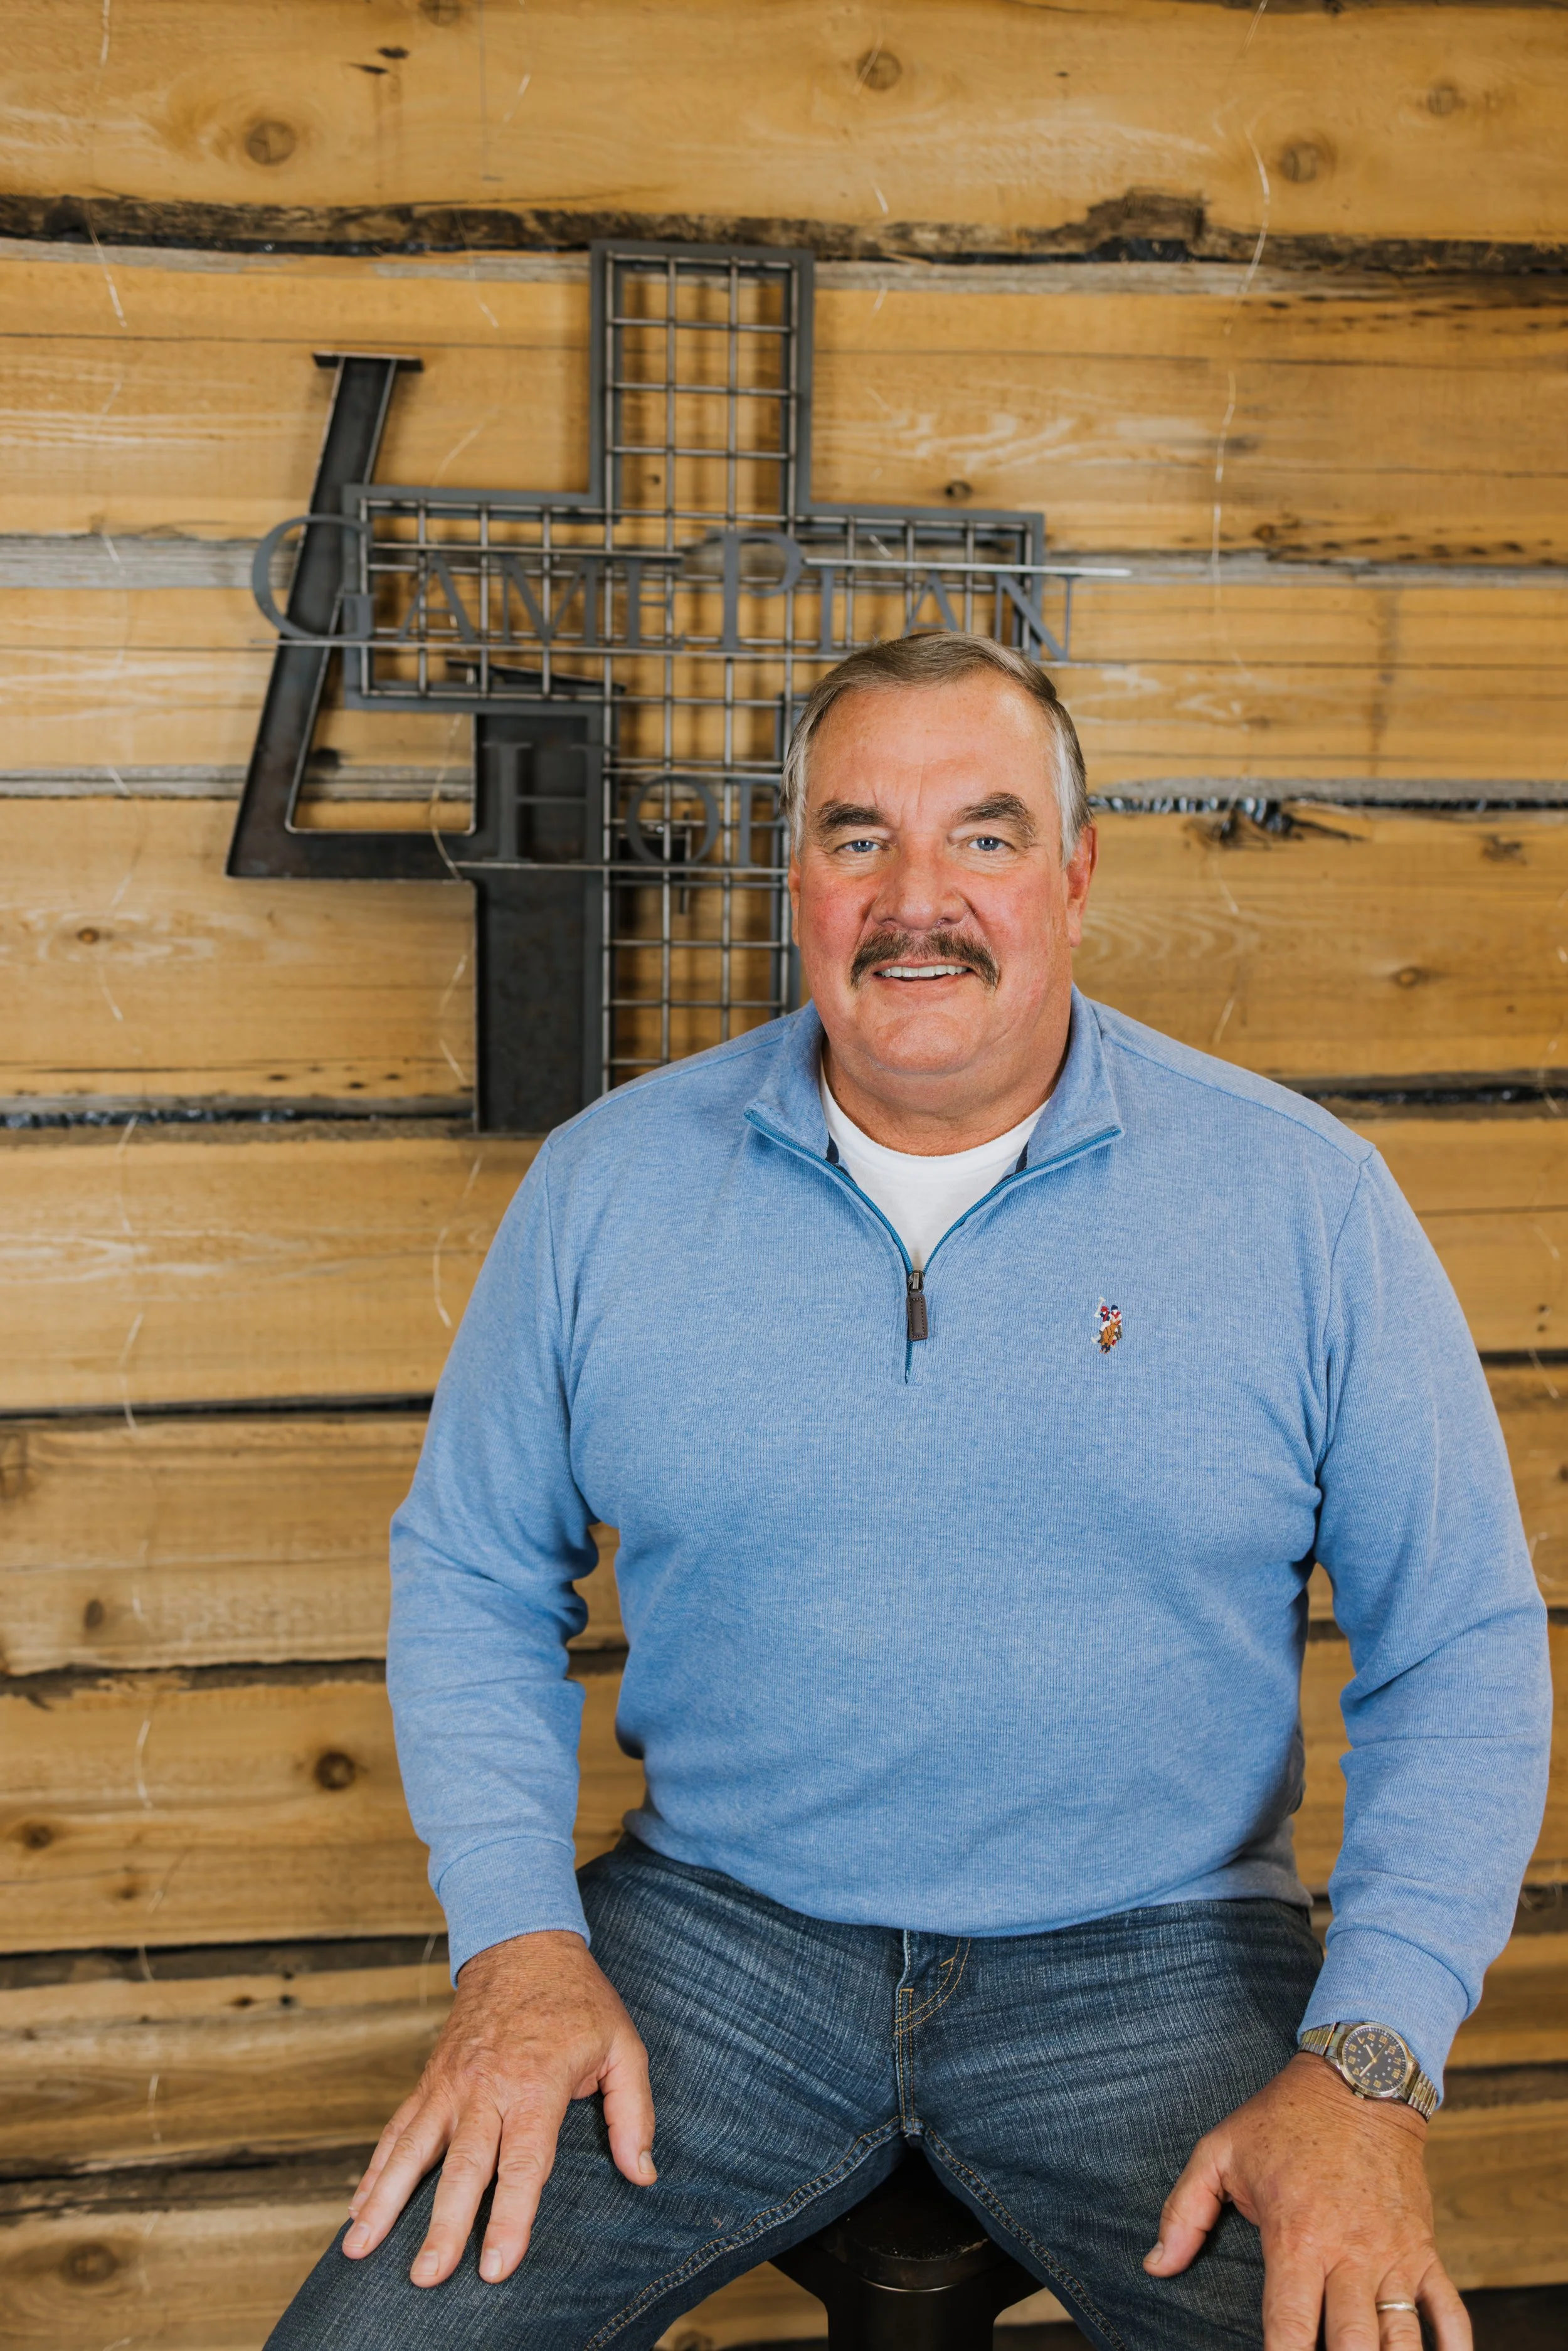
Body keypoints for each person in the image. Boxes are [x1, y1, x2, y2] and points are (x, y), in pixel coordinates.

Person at [268, 632, 1550, 2351]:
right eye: (858, 834)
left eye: (986, 834)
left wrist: (1372, 2061)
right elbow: (474, 1572)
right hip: (716, 1943)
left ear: (1077, 875)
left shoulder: (1303, 1201)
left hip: (1153, 1949)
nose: (915, 896)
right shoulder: (606, 1190)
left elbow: (1456, 1643)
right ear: (791, 874)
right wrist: (513, 1942)